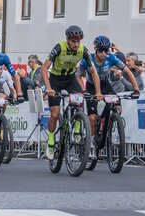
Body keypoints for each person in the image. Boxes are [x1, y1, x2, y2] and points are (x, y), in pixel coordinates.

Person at [41, 25, 101, 160]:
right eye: (73, 41)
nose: (76, 44)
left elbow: (93, 72)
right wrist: (49, 88)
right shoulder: (59, 47)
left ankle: (78, 128)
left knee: (79, 101)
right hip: (55, 80)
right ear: (68, 40)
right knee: (55, 114)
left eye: (78, 41)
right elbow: (44, 68)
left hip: (70, 79)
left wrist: (98, 92)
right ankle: (50, 142)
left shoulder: (83, 50)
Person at [78, 35, 139, 159]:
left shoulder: (111, 57)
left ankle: (109, 122)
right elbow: (78, 75)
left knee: (117, 107)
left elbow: (127, 71)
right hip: (91, 87)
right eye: (101, 50)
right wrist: (83, 90)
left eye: (106, 50)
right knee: (92, 118)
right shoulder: (87, 59)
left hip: (105, 84)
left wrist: (136, 89)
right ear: (95, 49)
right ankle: (91, 144)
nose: (103, 53)